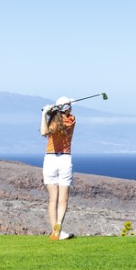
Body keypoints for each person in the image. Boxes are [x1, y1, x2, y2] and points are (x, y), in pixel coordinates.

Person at [40, 96, 77, 240]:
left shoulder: (53, 122)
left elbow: (44, 132)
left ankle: (55, 231)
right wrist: (53, 110)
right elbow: (61, 116)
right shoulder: (71, 120)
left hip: (50, 159)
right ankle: (59, 225)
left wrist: (45, 113)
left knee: (52, 199)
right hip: (65, 160)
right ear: (68, 108)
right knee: (63, 199)